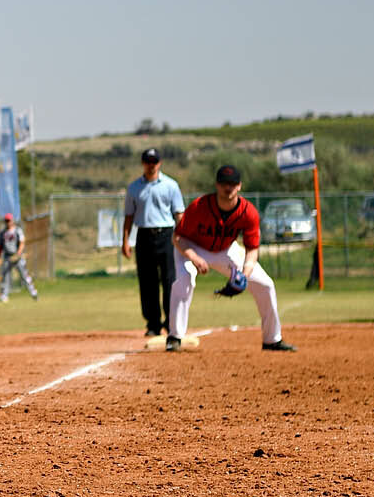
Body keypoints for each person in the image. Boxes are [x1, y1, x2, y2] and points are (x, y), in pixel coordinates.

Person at [165, 164, 295, 353]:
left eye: (233, 184)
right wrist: (193, 257)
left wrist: (244, 274)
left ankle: (272, 339)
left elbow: (252, 249)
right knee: (184, 280)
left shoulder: (248, 212)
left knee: (265, 284)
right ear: (217, 185)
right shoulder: (200, 206)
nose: (228, 188)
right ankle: (175, 337)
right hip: (191, 247)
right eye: (224, 183)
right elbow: (177, 238)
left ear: (239, 186)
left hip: (225, 250)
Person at [122, 147, 186, 338]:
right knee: (147, 282)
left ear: (160, 163)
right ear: (143, 163)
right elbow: (128, 216)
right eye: (148, 162)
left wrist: (183, 240)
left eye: (154, 162)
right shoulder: (134, 188)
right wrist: (125, 241)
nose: (151, 165)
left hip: (166, 235)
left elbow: (179, 215)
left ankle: (170, 322)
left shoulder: (170, 185)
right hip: (144, 235)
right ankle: (153, 323)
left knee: (169, 281)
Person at [0, 213, 38, 302]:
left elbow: (22, 242)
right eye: (6, 220)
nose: (7, 222)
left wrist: (18, 254)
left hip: (17, 257)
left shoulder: (17, 230)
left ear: (12, 221)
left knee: (24, 275)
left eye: (9, 220)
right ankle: (4, 295)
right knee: (5, 276)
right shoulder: (3, 232)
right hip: (7, 257)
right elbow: (0, 246)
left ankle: (33, 292)